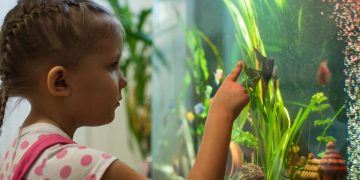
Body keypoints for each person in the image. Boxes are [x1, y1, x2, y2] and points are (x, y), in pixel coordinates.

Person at [0, 0, 249, 179]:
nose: (123, 80)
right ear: (60, 82)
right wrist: (221, 113)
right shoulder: (75, 164)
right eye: (112, 65)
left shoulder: (18, 151)